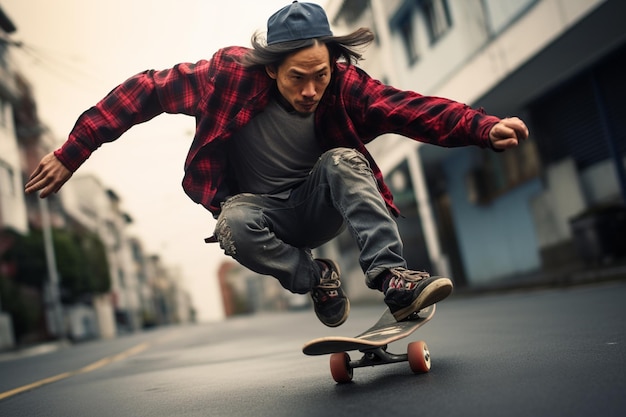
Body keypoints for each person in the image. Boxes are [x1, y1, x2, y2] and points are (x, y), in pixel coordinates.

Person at [25, 2, 528, 327]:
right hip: (265, 216)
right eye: (297, 78)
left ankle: (392, 278)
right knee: (232, 224)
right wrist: (75, 150)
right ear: (270, 67)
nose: (312, 90)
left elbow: (409, 108)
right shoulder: (223, 77)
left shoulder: (346, 86)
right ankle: (317, 277)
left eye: (321, 75)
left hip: (320, 200)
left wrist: (479, 127)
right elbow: (146, 91)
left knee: (344, 160)